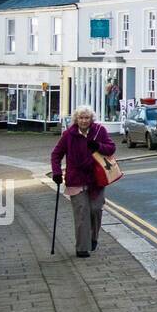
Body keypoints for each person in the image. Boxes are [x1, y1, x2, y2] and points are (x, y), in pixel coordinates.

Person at [50, 106, 116, 258]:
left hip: (96, 180)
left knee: (95, 210)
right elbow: (56, 155)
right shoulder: (68, 135)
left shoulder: (99, 131)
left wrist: (99, 146)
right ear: (76, 119)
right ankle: (82, 248)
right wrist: (57, 172)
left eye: (87, 118)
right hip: (76, 179)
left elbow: (111, 148)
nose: (84, 120)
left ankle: (93, 238)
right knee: (82, 213)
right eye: (81, 118)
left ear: (91, 119)